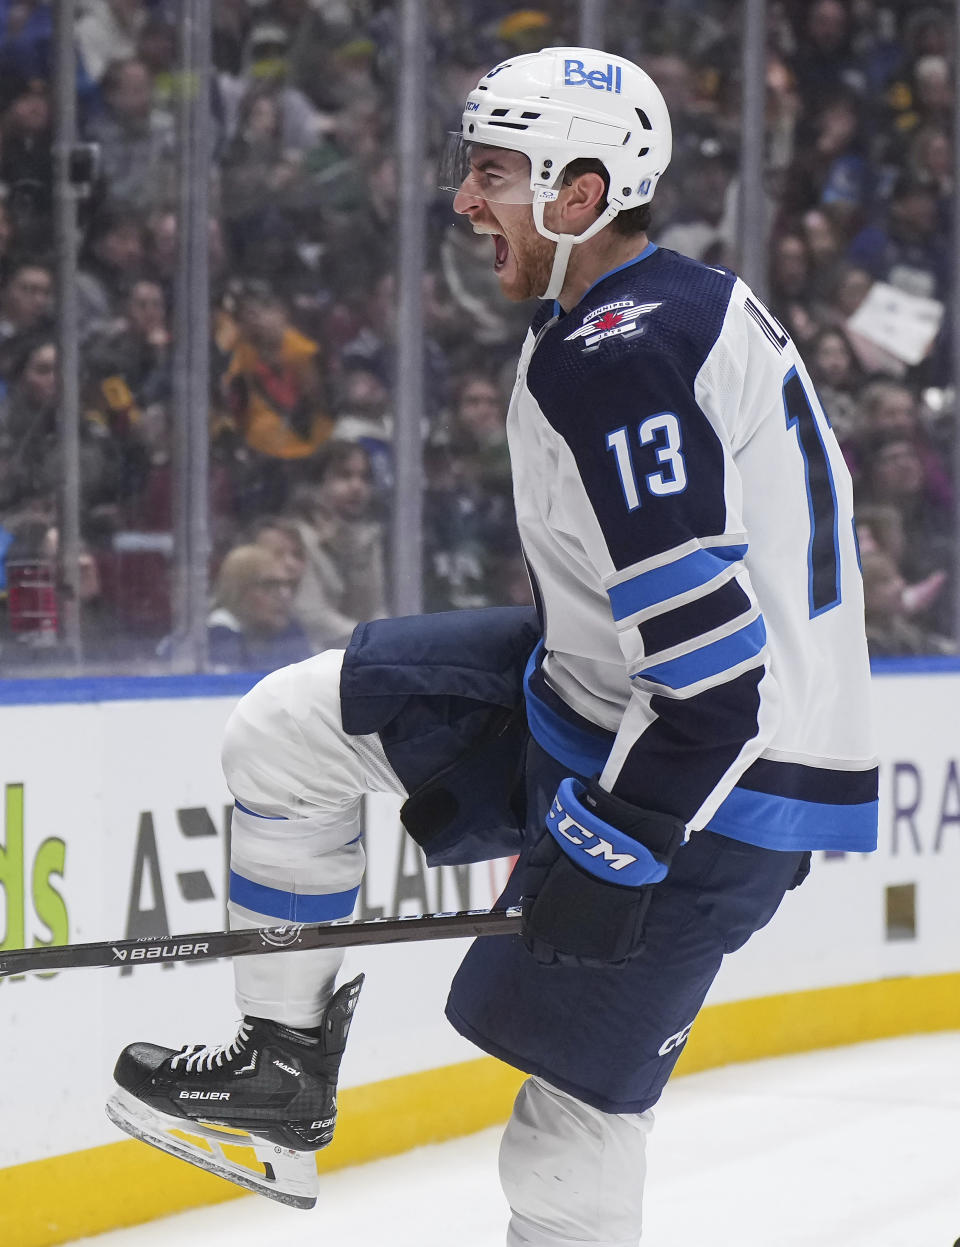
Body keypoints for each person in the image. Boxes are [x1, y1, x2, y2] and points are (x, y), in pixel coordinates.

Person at [108, 47, 878, 1243]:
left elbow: (718, 682)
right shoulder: (648, 307)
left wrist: (617, 844)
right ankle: (276, 1076)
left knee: (570, 1134)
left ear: (581, 194)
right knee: (290, 731)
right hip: (603, 692)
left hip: (719, 782)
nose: (464, 202)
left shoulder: (620, 356)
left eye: (493, 174)